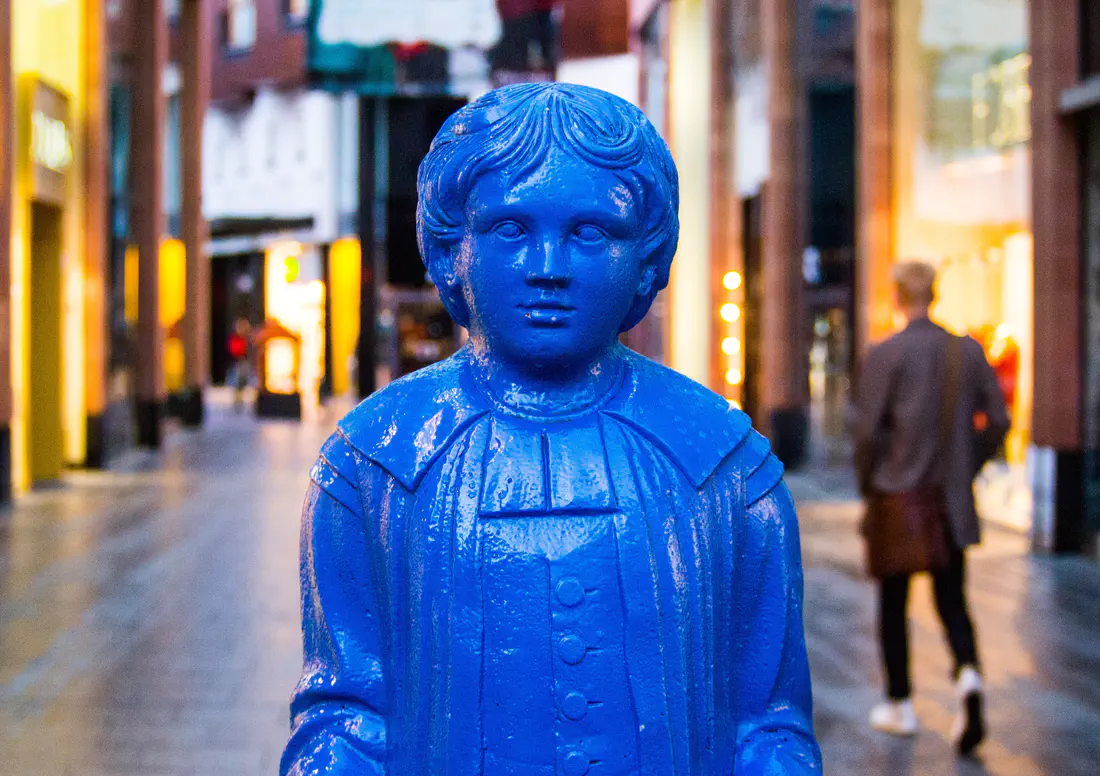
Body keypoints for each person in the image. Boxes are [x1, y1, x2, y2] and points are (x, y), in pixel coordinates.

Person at [281, 83, 821, 775]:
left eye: (590, 232)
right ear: (451, 250)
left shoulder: (724, 469)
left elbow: (770, 724)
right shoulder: (373, 468)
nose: (548, 270)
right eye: (510, 230)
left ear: (647, 258)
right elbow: (344, 714)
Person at [854, 260, 1010, 755]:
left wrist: (870, 486)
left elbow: (866, 434)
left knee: (893, 604)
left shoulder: (886, 354)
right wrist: (970, 461)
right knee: (953, 601)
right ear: (935, 295)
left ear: (898, 297)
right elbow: (1001, 419)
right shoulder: (967, 352)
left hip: (898, 500)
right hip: (950, 503)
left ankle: (899, 703)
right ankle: (968, 677)